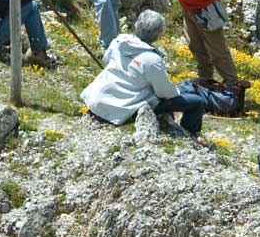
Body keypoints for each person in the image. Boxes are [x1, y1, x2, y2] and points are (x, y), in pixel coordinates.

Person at [81, 9, 208, 141]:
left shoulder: (119, 41)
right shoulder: (151, 59)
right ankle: (189, 135)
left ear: (137, 25)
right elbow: (165, 93)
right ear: (157, 35)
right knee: (197, 102)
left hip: (98, 100)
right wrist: (176, 90)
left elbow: (107, 60)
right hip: (120, 108)